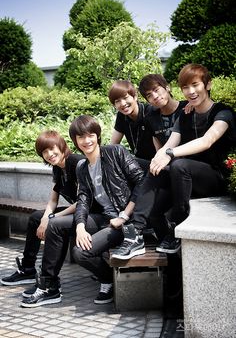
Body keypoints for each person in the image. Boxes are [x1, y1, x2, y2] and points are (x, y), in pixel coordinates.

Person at [112, 63, 236, 259]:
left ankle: (176, 228)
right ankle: (135, 234)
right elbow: (170, 143)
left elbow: (207, 140)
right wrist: (159, 158)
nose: (191, 91)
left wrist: (169, 154)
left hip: (214, 178)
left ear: (208, 84)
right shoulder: (186, 116)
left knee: (178, 164)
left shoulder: (223, 112)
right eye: (186, 87)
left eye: (195, 85)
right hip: (185, 176)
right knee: (157, 177)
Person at [69, 115, 145, 304]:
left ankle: (107, 280)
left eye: (90, 135)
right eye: (81, 137)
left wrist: (124, 215)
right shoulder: (82, 167)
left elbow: (142, 182)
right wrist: (79, 226)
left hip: (126, 221)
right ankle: (48, 282)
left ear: (97, 136)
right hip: (106, 218)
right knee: (60, 226)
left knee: (80, 252)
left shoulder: (115, 152)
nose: (86, 141)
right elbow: (83, 199)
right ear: (75, 141)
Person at [1, 131, 83, 291]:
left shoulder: (76, 163)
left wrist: (52, 218)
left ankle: (49, 281)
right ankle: (27, 269)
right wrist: (45, 218)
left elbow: (83, 201)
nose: (49, 154)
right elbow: (53, 199)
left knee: (55, 224)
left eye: (52, 149)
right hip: (77, 210)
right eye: (44, 152)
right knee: (36, 218)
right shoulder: (58, 168)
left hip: (89, 212)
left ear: (62, 146)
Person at [109, 80, 156, 170]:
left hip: (156, 163)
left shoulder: (149, 112)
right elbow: (113, 146)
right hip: (139, 163)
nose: (123, 103)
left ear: (135, 96)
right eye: (117, 101)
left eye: (125, 98)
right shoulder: (122, 116)